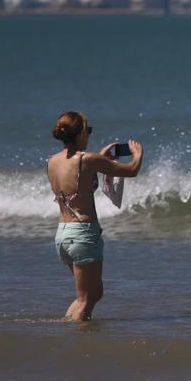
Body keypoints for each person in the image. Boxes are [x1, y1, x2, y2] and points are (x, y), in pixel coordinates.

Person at [46, 111, 143, 321]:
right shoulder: (88, 160)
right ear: (80, 133)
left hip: (62, 234)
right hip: (83, 234)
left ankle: (67, 325)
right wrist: (137, 154)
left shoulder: (52, 161)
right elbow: (131, 170)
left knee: (93, 292)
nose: (88, 135)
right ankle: (80, 341)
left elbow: (83, 186)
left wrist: (101, 158)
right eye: (87, 130)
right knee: (86, 298)